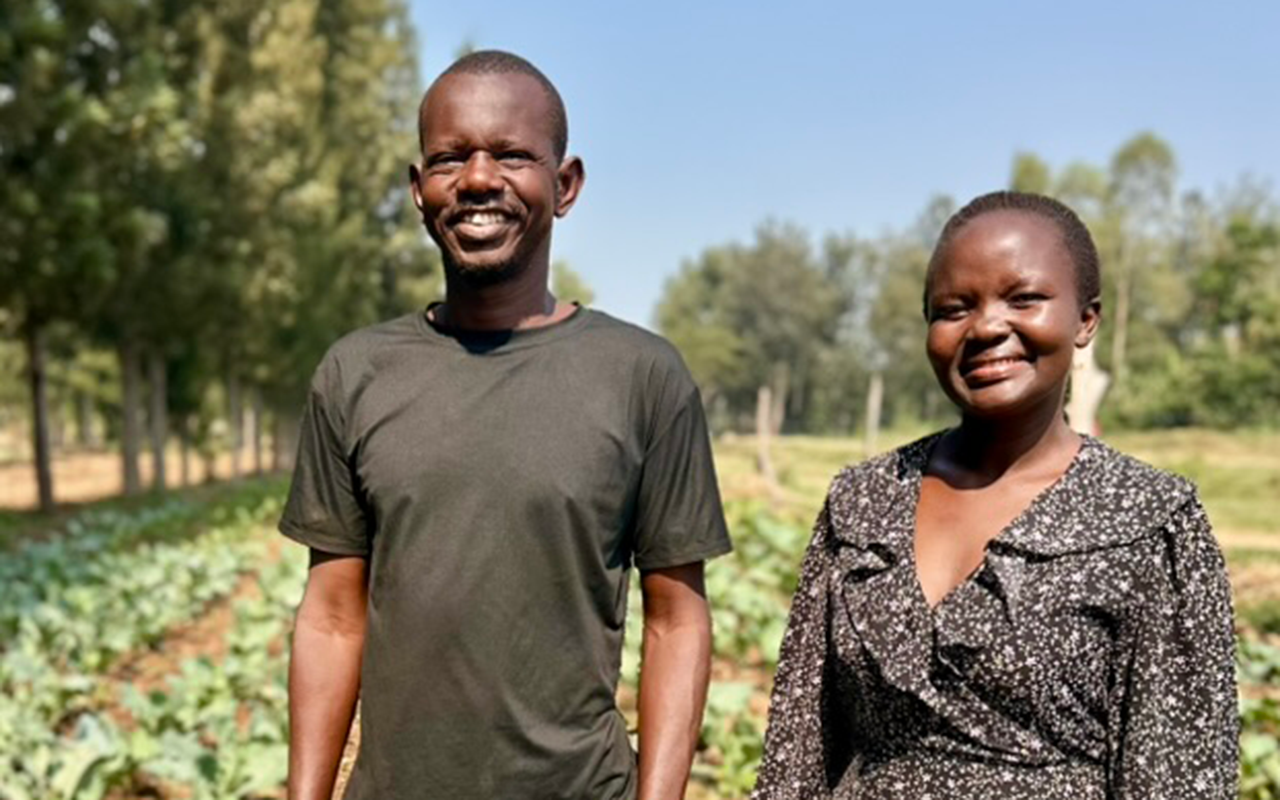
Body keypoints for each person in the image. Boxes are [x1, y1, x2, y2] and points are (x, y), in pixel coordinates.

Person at [280, 50, 731, 800]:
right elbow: (330, 619)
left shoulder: (644, 376)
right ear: (418, 189)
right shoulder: (354, 374)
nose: (480, 178)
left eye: (513, 155)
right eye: (450, 158)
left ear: (565, 185)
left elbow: (676, 624)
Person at [752, 191, 1238, 799]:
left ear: (1086, 319)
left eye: (1024, 298)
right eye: (953, 308)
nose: (985, 327)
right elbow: (796, 753)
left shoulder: (1150, 518)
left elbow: (1177, 780)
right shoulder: (862, 501)